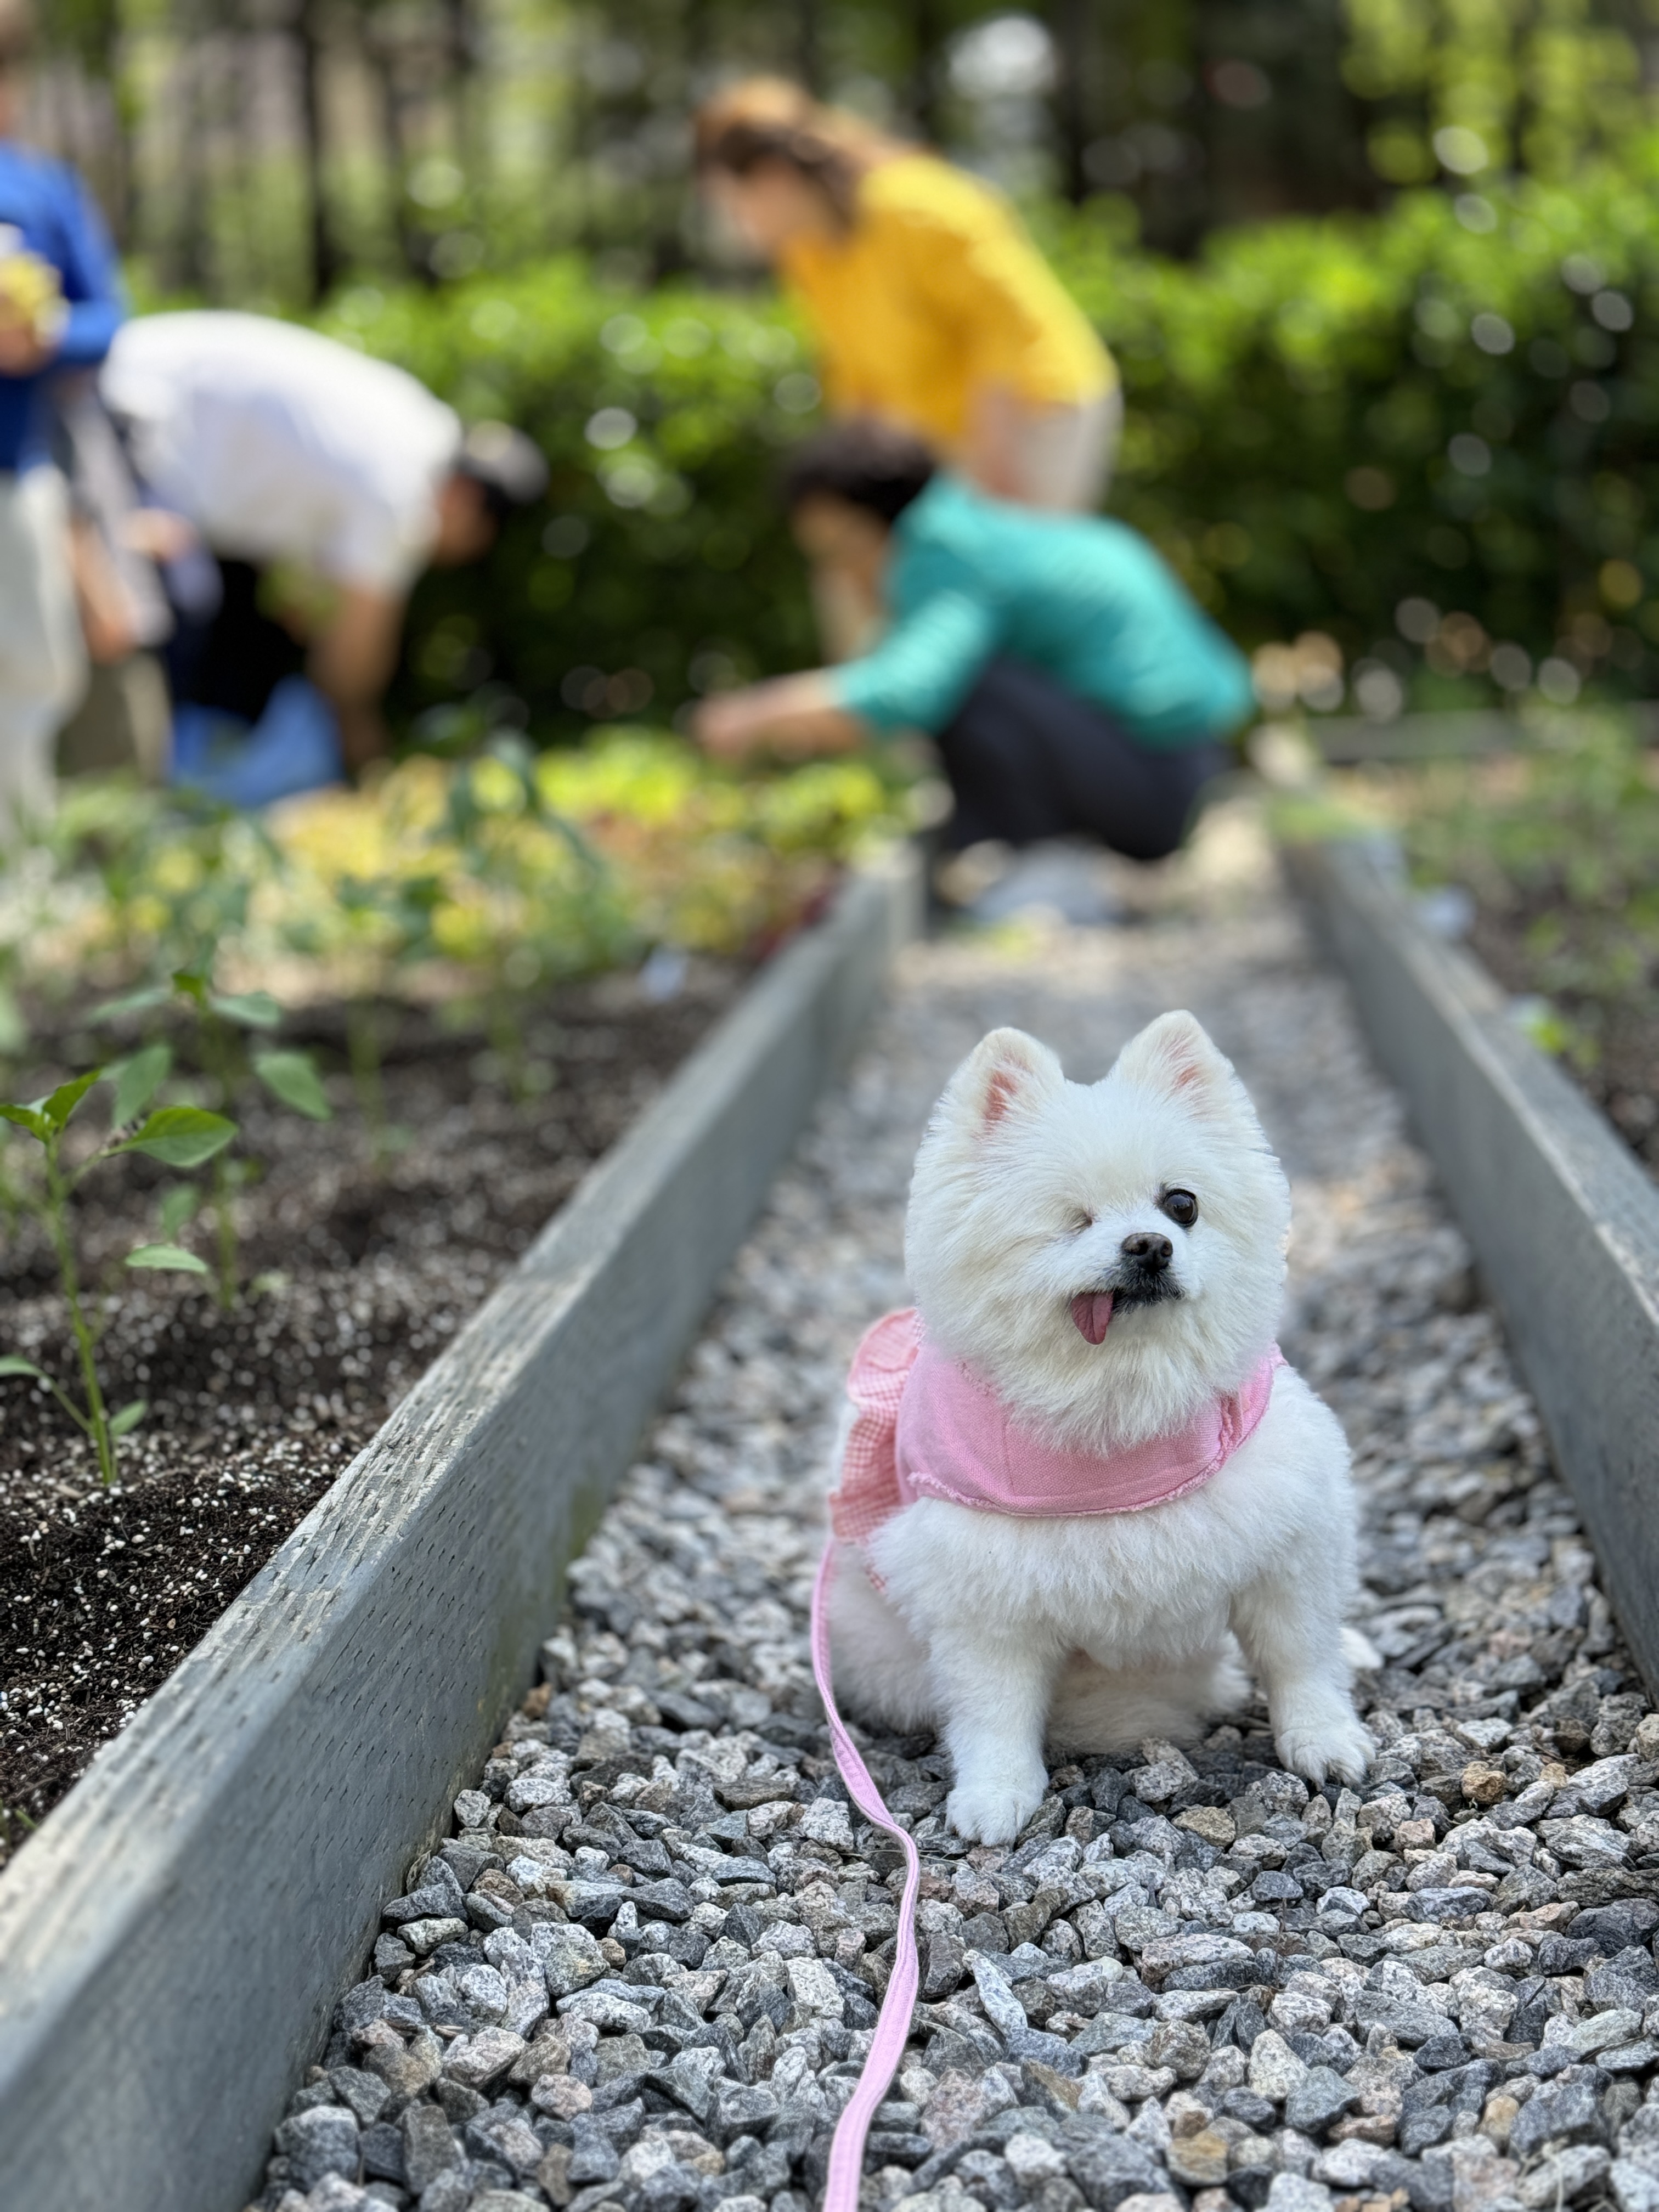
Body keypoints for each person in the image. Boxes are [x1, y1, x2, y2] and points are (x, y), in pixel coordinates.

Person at [694, 422, 1252, 912]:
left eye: (843, 548)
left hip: (1155, 789)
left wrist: (753, 715)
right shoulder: (984, 529)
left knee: (968, 687)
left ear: (883, 522)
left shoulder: (946, 552)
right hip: (1187, 764)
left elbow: (904, 691)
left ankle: (1049, 873)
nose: (843, 575)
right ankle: (1045, 864)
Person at [100, 311, 548, 788]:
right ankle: (124, 801)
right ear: (466, 505)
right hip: (132, 405)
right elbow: (350, 668)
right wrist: (370, 765)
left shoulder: (412, 425)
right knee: (160, 613)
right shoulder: (400, 494)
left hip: (146, 382)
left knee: (222, 627)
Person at [693, 79, 1118, 517]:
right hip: (943, 431)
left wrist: (1000, 471)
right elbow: (855, 381)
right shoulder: (804, 254)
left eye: (733, 204)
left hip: (1038, 411)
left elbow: (1002, 340)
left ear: (775, 179)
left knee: (1018, 558)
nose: (735, 226)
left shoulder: (919, 208)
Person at [0, 0, 125, 833]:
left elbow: (108, 320)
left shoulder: (40, 189)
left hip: (15, 473)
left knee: (37, 670)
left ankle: (18, 877)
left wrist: (44, 338)